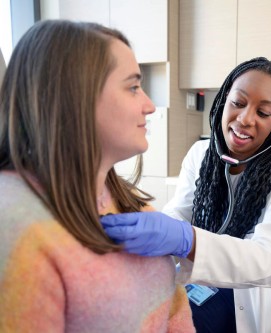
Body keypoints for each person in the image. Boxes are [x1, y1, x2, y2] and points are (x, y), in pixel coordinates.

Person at [0, 20, 195, 332]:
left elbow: (175, 312)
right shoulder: (16, 228)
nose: (149, 105)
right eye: (133, 87)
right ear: (74, 95)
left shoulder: (128, 204)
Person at [102, 57, 271, 333]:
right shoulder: (200, 155)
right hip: (202, 280)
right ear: (224, 100)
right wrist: (157, 231)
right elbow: (180, 212)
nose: (245, 119)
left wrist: (187, 239)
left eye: (263, 113)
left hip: (254, 301)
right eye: (238, 103)